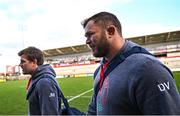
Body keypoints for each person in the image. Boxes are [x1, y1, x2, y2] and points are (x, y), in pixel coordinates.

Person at [81, 11, 180, 115]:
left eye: (90, 34)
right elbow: (94, 109)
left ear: (110, 31)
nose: (87, 41)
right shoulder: (100, 70)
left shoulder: (148, 69)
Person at [18, 46, 62, 115]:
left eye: (23, 61)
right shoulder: (37, 78)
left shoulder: (45, 82)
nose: (20, 65)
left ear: (34, 62)